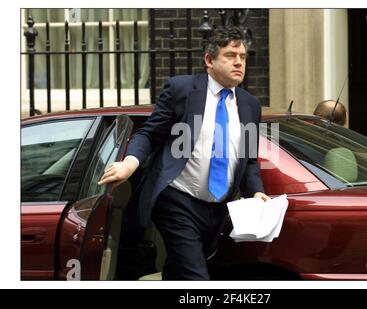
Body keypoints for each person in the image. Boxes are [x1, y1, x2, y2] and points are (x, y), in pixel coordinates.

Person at [98, 27, 270, 280]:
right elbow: (150, 134)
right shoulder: (182, 90)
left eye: (243, 57)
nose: (238, 62)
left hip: (218, 209)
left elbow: (249, 159)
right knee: (196, 277)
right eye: (230, 55)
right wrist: (130, 163)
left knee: (178, 272)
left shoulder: (249, 105)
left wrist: (255, 191)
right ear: (209, 61)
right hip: (178, 199)